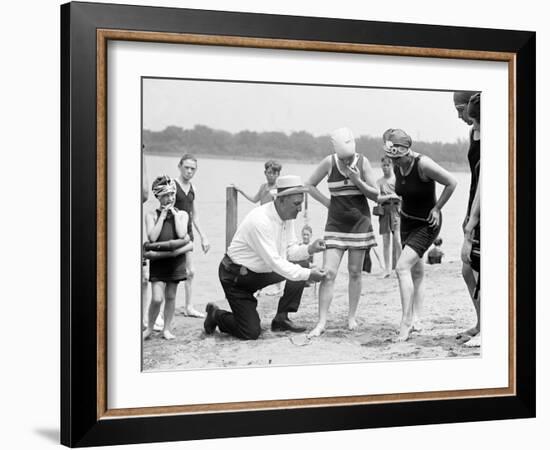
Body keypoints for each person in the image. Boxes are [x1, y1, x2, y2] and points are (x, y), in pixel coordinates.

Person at [203, 175, 327, 340]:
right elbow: (276, 262)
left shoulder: (286, 216)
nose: (299, 209)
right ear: (281, 200)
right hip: (236, 278)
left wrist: (310, 249)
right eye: (296, 204)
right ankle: (216, 315)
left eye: (301, 204)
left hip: (260, 272)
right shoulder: (259, 220)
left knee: (302, 264)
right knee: (250, 332)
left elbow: (290, 251)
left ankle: (281, 319)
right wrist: (309, 274)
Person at [305, 127, 383, 337]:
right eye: (344, 159)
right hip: (335, 226)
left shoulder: (363, 162)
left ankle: (351, 317)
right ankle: (321, 322)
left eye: (350, 158)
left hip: (359, 225)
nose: (347, 162)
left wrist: (357, 180)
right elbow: (309, 185)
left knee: (355, 272)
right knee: (328, 274)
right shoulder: (329, 162)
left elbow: (377, 195)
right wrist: (328, 203)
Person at [383, 128, 457, 342]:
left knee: (401, 267)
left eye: (398, 158)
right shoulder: (397, 167)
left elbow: (452, 182)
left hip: (427, 224)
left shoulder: (423, 164)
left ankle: (406, 321)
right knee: (416, 271)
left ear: (407, 152)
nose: (395, 162)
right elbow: (405, 191)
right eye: (392, 158)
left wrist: (437, 208)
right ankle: (418, 318)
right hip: (406, 221)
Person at [143, 176, 190, 341]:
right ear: (158, 196)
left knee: (171, 296)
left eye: (171, 195)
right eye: (165, 195)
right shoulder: (151, 215)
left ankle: (166, 329)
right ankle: (149, 327)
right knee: (157, 298)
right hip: (158, 261)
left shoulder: (182, 214)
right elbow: (152, 238)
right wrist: (162, 217)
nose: (169, 199)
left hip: (176, 261)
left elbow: (183, 234)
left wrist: (174, 216)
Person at [457, 93, 481, 346]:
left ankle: (488, 328)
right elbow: (475, 181)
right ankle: (481, 323)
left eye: (462, 109)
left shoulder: (492, 133)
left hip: (483, 208)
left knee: (477, 268)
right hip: (473, 202)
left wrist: (474, 219)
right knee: (468, 269)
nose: (459, 116)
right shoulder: (472, 134)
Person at [174, 154, 210, 318]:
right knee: (168, 275)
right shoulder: (172, 185)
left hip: (188, 235)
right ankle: (158, 313)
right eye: (186, 167)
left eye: (192, 169)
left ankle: (189, 307)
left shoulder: (193, 189)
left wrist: (204, 237)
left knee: (190, 271)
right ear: (180, 166)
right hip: (172, 234)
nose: (189, 171)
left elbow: (195, 216)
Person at [376, 155, 402, 277]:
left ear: (392, 165)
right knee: (386, 241)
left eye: (388, 165)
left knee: (397, 240)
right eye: (384, 165)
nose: (385, 167)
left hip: (396, 210)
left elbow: (402, 196)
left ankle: (400, 266)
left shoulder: (396, 179)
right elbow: (377, 198)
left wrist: (397, 200)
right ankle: (387, 269)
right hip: (384, 210)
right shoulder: (379, 182)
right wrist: (390, 196)